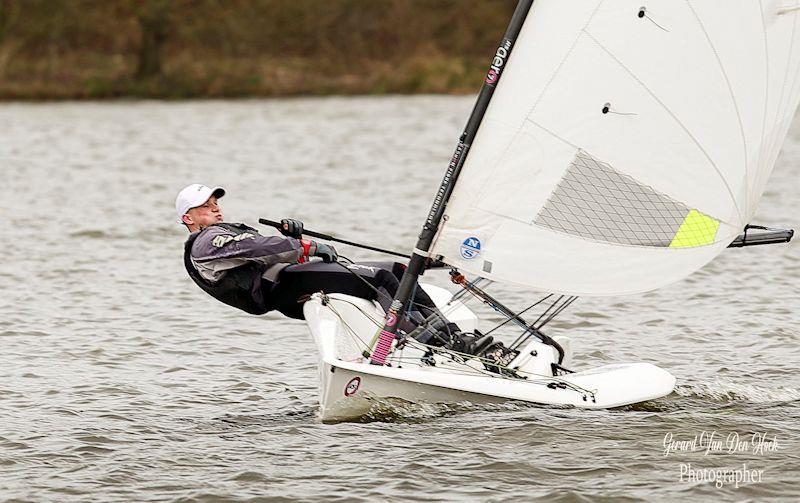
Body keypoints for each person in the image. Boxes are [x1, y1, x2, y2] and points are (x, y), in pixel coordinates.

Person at [175, 183, 498, 354]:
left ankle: (452, 337)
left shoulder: (222, 232)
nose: (214, 207)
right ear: (188, 218)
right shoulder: (205, 242)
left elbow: (261, 251)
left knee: (399, 270)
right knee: (383, 278)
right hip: (279, 289)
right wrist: (304, 246)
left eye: (215, 202)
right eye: (205, 206)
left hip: (287, 280)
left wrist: (295, 240)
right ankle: (425, 342)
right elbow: (258, 247)